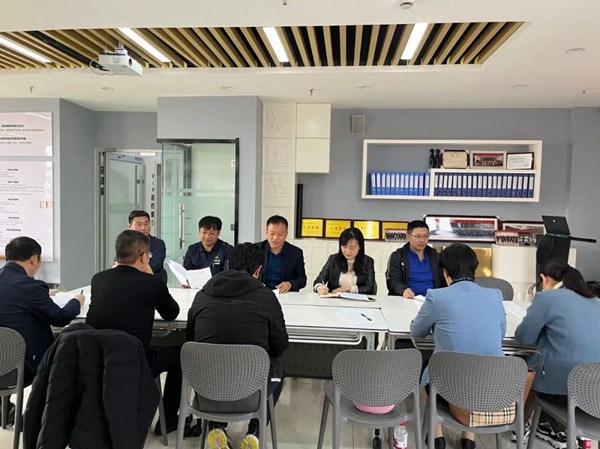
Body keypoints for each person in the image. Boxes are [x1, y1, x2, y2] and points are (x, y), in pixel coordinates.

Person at [187, 242, 288, 449]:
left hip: (207, 389)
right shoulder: (266, 297)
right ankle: (255, 431)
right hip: (250, 391)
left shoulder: (203, 294)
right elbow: (279, 344)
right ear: (258, 271)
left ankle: (215, 425)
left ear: (228, 265)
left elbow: (190, 338)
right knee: (278, 363)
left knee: (205, 357)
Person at [86, 230, 182, 436]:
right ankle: (168, 421)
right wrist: (150, 275)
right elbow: (171, 313)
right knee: (181, 354)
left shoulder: (98, 279)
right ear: (143, 257)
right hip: (136, 362)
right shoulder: (151, 283)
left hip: (98, 360)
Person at [410, 243, 506, 449]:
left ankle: (437, 436)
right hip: (492, 386)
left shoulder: (437, 296)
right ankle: (468, 438)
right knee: (475, 364)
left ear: (445, 272)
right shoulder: (495, 295)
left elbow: (417, 331)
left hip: (449, 385)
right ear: (474, 269)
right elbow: (501, 335)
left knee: (432, 369)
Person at [515, 259, 600, 449]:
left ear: (543, 279)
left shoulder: (548, 298)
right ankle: (552, 427)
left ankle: (518, 426)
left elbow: (524, 337)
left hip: (566, 383)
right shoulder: (596, 301)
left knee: (530, 362)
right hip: (595, 389)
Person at [0, 236, 84, 386]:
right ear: (34, 259)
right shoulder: (30, 287)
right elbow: (60, 318)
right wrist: (76, 301)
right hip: (23, 367)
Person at [386, 220, 445, 298]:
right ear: (408, 237)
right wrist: (403, 290)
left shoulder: (436, 257)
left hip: (432, 300)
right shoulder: (398, 256)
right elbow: (392, 281)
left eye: (426, 236)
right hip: (407, 299)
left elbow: (444, 282)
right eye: (418, 236)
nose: (422, 240)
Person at [313, 227, 376, 295]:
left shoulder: (368, 261)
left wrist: (349, 288)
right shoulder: (333, 259)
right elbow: (319, 280)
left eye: (352, 248)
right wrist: (320, 287)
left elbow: (370, 288)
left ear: (360, 246)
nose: (347, 251)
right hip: (334, 299)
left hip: (358, 300)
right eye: (344, 247)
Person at [256, 215, 306, 293]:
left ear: (286, 234)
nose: (275, 238)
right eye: (272, 234)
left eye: (280, 234)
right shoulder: (256, 249)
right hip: (260, 292)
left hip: (284, 294)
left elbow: (302, 279)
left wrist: (290, 284)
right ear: (266, 233)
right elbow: (245, 274)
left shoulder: (296, 253)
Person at [128, 210, 167, 282]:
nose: (143, 228)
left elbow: (154, 265)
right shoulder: (125, 244)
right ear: (130, 226)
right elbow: (120, 263)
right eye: (139, 224)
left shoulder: (158, 244)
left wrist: (131, 269)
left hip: (152, 282)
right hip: (130, 282)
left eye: (146, 224)